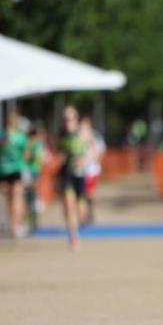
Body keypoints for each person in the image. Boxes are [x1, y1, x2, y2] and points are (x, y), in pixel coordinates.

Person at [0, 110, 28, 239]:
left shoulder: (0, 135)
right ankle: (15, 224)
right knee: (17, 197)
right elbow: (26, 153)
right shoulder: (20, 137)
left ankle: (10, 223)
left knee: (7, 199)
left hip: (2, 170)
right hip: (15, 170)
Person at [59, 105, 89, 249]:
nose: (67, 121)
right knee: (69, 205)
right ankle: (73, 236)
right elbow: (59, 153)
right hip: (67, 173)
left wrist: (86, 160)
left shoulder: (84, 133)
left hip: (81, 175)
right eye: (65, 118)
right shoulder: (61, 135)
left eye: (70, 118)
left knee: (81, 210)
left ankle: (80, 218)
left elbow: (96, 151)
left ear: (76, 119)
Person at [24, 124, 47, 233]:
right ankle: (33, 221)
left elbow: (39, 158)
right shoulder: (33, 144)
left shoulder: (36, 145)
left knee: (33, 197)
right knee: (30, 198)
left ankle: (36, 221)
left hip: (33, 173)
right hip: (30, 173)